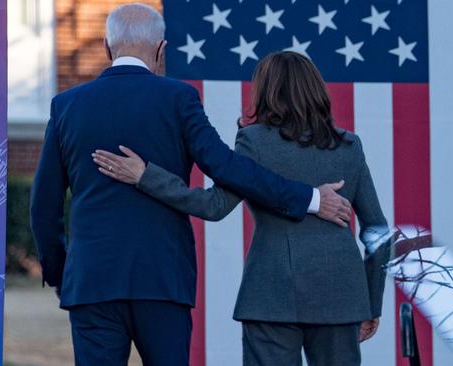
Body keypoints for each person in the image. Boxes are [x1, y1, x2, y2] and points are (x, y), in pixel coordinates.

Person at [30, 4, 352, 366]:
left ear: (107, 47)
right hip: (164, 278)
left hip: (92, 280)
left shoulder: (66, 106)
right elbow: (228, 168)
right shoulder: (178, 98)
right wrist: (308, 198)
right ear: (161, 49)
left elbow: (43, 207)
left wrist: (60, 272)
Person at [93, 51, 391, 366]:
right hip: (342, 297)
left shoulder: (254, 141)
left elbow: (213, 205)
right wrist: (371, 303)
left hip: (271, 296)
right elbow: (378, 233)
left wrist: (146, 175)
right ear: (317, 90)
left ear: (265, 91)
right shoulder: (349, 146)